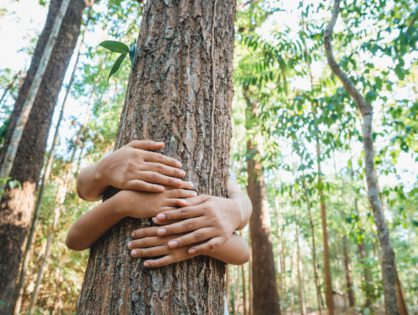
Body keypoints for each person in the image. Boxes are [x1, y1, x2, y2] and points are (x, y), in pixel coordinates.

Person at [66, 140, 252, 267]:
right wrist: (123, 203)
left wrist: (187, 240)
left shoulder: (217, 170)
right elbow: (75, 239)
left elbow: (243, 252)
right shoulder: (127, 158)